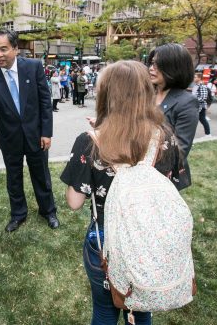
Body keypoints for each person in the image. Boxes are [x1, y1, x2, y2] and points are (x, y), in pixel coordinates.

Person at [61, 61, 183, 325]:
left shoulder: (90, 141)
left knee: (105, 311)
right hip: (151, 238)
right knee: (141, 311)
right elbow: (173, 188)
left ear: (107, 94)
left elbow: (74, 202)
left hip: (107, 241)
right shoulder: (165, 137)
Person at [0, 28, 59, 232]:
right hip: (9, 137)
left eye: (4, 49)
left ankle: (48, 211)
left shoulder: (34, 67)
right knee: (13, 178)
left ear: (16, 49)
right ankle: (18, 214)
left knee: (41, 175)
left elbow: (45, 101)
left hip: (36, 136)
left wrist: (46, 132)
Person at [148, 43, 198, 190]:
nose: (151, 68)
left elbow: (181, 149)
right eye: (151, 63)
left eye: (158, 65)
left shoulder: (186, 102)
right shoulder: (147, 95)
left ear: (174, 68)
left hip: (163, 176)